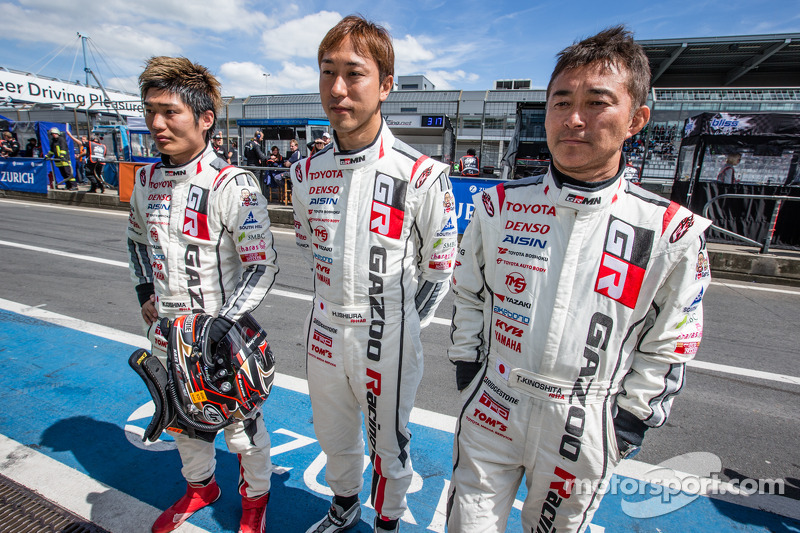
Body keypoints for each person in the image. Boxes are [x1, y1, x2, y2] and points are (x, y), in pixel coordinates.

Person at [447, 26, 712, 532]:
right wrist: (468, 368)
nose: (573, 119)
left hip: (585, 422)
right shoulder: (498, 206)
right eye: (562, 101)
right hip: (494, 401)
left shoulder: (672, 231)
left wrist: (629, 420)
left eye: (596, 103)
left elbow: (671, 341)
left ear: (636, 120)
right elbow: (469, 294)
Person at [292, 15, 457, 533]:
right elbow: (308, 247)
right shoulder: (304, 173)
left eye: (354, 73)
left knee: (389, 443)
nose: (338, 89)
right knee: (332, 433)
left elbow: (440, 268)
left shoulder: (422, 174)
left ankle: (387, 523)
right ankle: (343, 507)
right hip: (323, 329)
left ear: (385, 85)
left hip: (389, 335)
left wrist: (400, 325)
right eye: (327, 72)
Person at [126, 56, 278, 533]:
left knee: (243, 432)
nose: (157, 124)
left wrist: (220, 326)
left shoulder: (233, 184)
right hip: (166, 333)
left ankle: (254, 501)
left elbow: (261, 264)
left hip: (221, 336)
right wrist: (145, 291)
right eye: (151, 111)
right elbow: (136, 241)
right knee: (181, 422)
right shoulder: (145, 181)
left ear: (205, 118)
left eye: (170, 112)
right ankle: (201, 488)